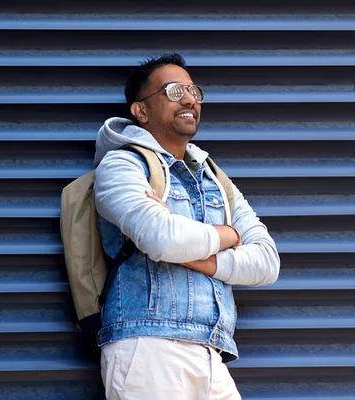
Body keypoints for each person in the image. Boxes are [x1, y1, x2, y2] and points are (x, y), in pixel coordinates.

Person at [93, 53, 281, 400]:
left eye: (194, 90)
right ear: (141, 111)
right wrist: (230, 235)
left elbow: (267, 262)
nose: (190, 98)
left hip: (213, 351)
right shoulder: (121, 165)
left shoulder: (213, 177)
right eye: (174, 90)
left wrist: (203, 258)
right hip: (148, 347)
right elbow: (162, 239)